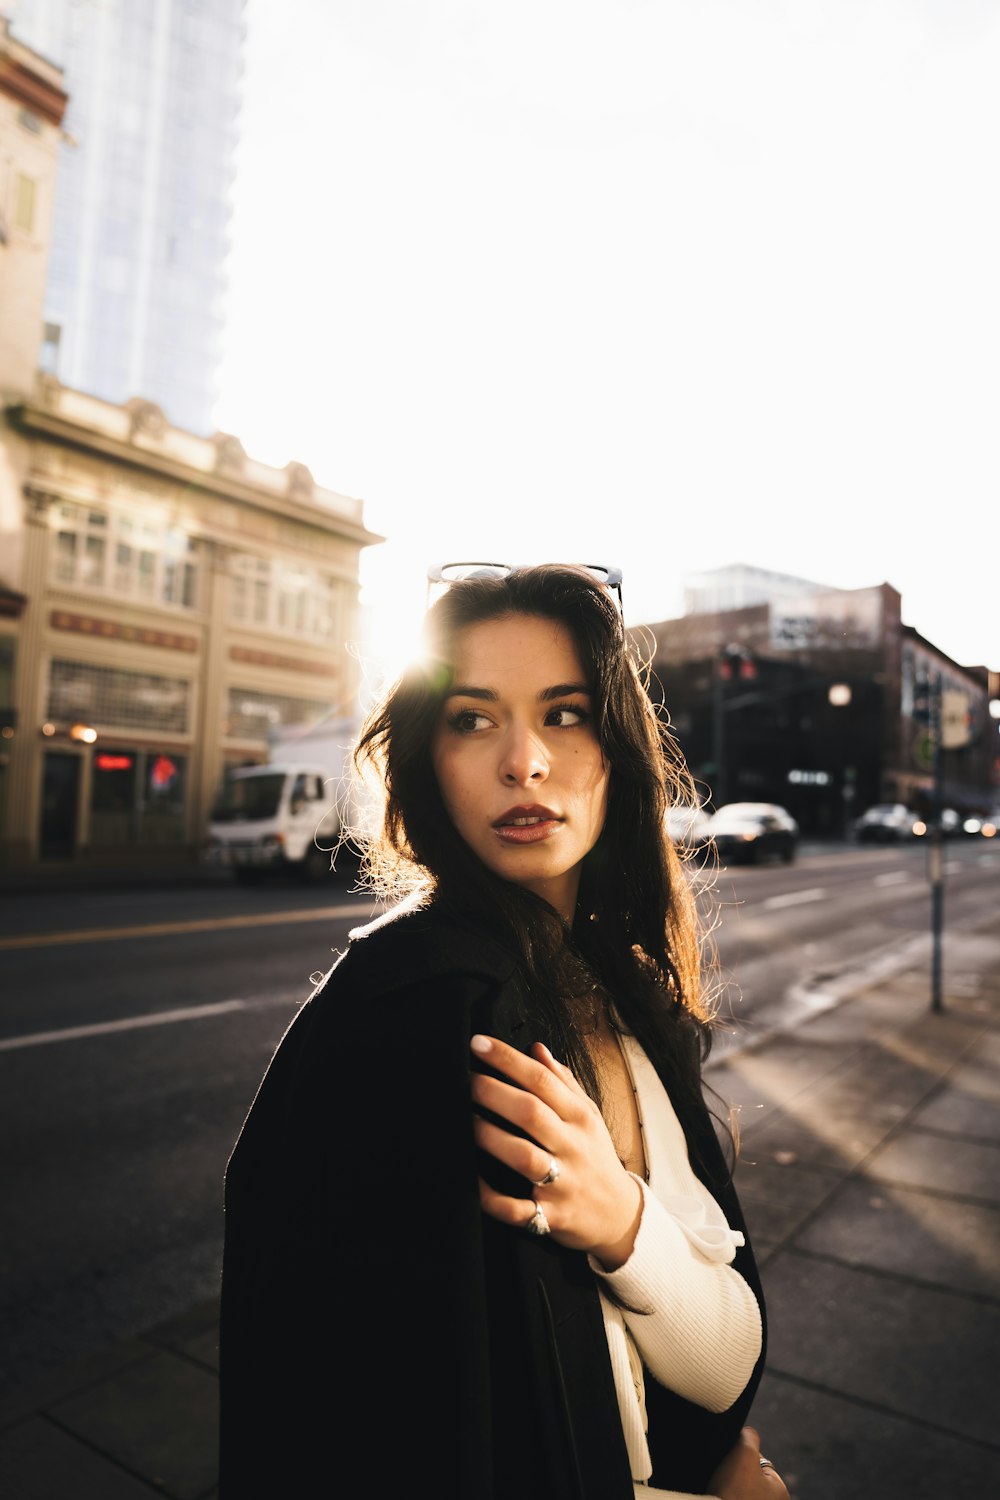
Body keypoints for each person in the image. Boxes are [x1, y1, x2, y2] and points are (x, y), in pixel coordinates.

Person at [219, 562, 789, 1499]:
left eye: (565, 712)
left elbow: (727, 1362)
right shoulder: (427, 1009)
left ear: (618, 747)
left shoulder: (627, 994)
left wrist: (621, 1221)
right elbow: (411, 1440)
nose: (523, 760)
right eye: (473, 719)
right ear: (426, 764)